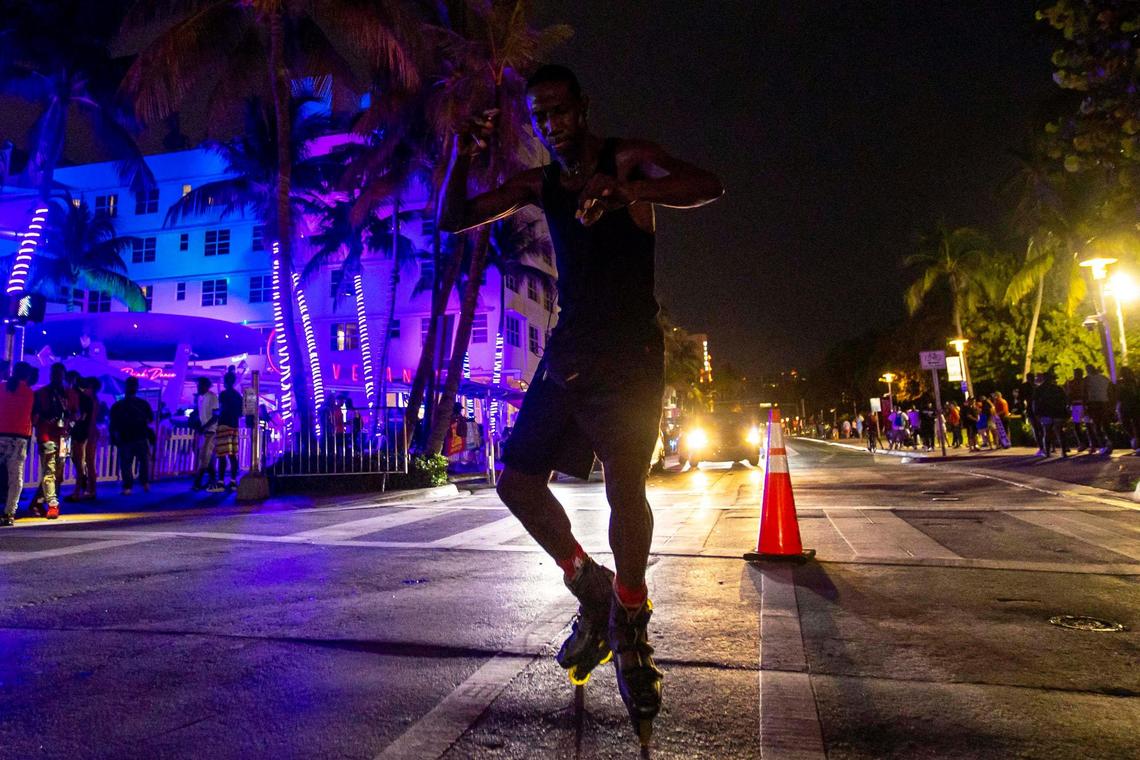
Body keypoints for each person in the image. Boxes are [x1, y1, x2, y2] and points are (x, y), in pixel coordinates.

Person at [438, 63, 722, 741]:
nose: (550, 123)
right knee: (515, 481)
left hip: (630, 356)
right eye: (539, 115)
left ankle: (630, 615)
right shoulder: (542, 185)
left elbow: (709, 185)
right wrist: (462, 153)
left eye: (560, 110)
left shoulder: (628, 158)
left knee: (629, 488)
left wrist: (626, 193)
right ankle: (586, 580)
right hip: (568, 354)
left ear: (584, 108)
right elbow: (454, 218)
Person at [30, 362, 72, 519]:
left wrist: (70, 422)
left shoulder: (68, 394)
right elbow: (35, 416)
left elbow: (76, 414)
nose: (58, 377)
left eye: (60, 374)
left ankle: (38, 502)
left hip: (65, 437)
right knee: (50, 471)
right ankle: (53, 505)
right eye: (55, 374)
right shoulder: (42, 393)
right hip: (47, 435)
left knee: (58, 474)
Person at [0, 362, 37, 526]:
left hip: (1, 434)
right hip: (19, 439)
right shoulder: (30, 393)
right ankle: (9, 513)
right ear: (27, 376)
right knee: (16, 478)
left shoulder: (2, 388)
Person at [109, 376, 154, 494]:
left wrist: (114, 437)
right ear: (137, 388)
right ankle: (144, 483)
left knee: (126, 463)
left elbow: (113, 423)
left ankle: (128, 486)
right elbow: (150, 420)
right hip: (141, 436)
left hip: (125, 437)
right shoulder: (143, 404)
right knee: (143, 461)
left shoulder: (118, 405)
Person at [66, 376, 97, 501]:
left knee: (81, 463)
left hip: (82, 433)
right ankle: (88, 489)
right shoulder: (90, 399)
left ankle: (79, 491)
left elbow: (84, 418)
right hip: (84, 432)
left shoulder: (86, 400)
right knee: (84, 462)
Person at [191, 377, 221, 492]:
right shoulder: (201, 398)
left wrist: (204, 426)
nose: (197, 387)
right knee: (208, 458)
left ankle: (198, 482)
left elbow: (215, 416)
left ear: (205, 386)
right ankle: (213, 480)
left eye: (199, 385)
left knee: (204, 457)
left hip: (211, 431)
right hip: (206, 431)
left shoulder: (212, 397)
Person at [1033, 371, 1070, 457]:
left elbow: (1035, 402)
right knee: (1059, 431)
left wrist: (1036, 413)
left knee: (1047, 432)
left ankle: (1047, 452)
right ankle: (1063, 451)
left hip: (1045, 412)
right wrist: (1065, 411)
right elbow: (1065, 400)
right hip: (1058, 412)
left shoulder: (1039, 389)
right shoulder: (1058, 388)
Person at [216, 371, 242, 489]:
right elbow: (241, 412)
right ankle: (233, 480)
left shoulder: (223, 395)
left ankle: (221, 481)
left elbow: (220, 409)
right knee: (232, 454)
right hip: (234, 425)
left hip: (223, 424)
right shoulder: (238, 396)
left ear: (225, 382)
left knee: (222, 454)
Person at [1083, 363, 1114, 455]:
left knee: (1096, 425)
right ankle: (1110, 442)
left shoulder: (1087, 379)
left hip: (1093, 403)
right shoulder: (1104, 378)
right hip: (1104, 402)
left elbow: (1084, 393)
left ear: (1088, 370)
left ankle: (1103, 445)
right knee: (1106, 424)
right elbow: (1111, 389)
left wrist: (1084, 406)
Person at [1065, 367, 1091, 451]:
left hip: (1076, 405)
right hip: (1084, 405)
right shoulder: (1085, 382)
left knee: (1077, 425)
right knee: (1088, 425)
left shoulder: (1072, 383)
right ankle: (1091, 443)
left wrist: (1068, 405)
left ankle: (1082, 443)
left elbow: (1069, 395)